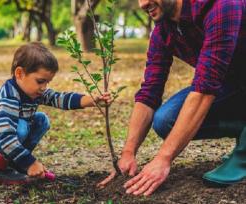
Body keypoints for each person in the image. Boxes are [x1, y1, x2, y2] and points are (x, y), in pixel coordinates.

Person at [99, 0, 246, 197]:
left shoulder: (222, 5)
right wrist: (128, 152)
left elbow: (204, 91)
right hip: (235, 83)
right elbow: (149, 92)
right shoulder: (165, 30)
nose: (142, 4)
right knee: (166, 120)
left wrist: (163, 158)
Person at [0, 42, 112, 185]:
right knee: (21, 127)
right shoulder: (8, 98)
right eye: (40, 81)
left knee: (41, 120)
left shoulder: (33, 91)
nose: (44, 87)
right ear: (19, 73)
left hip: (1, 137)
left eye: (47, 82)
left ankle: (15, 163)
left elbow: (59, 98)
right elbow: (5, 136)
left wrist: (91, 100)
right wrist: (30, 163)